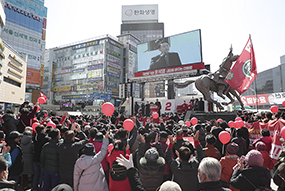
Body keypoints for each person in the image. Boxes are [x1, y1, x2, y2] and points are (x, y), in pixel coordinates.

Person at [33, 125, 50, 191]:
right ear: (42, 130)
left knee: (36, 174)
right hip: (42, 158)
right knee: (42, 175)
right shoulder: (45, 138)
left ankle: (34, 187)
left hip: (35, 157)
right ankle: (40, 188)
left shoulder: (34, 137)